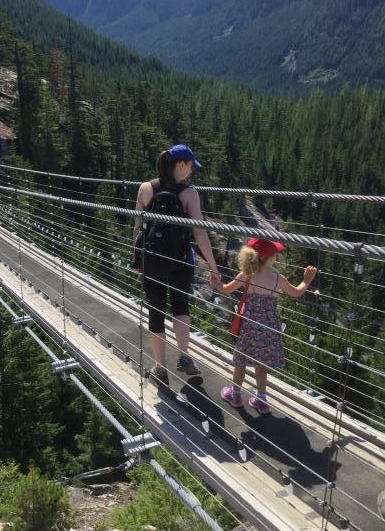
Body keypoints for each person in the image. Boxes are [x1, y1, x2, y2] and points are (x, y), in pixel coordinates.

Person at [133, 144, 221, 386]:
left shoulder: (145, 188)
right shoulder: (189, 193)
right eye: (191, 165)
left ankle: (160, 368)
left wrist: (137, 259)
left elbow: (138, 228)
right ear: (180, 164)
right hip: (181, 261)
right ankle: (183, 355)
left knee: (155, 313)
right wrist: (214, 268)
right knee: (181, 307)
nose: (192, 171)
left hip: (151, 262)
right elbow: (200, 234)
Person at [211, 238, 317, 414]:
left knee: (241, 361)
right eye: (275, 254)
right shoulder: (277, 278)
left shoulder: (247, 274)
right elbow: (297, 292)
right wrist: (307, 279)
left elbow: (225, 289)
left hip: (250, 326)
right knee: (262, 363)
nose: (276, 256)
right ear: (269, 258)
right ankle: (261, 400)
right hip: (269, 327)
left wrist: (216, 281)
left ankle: (235, 395)